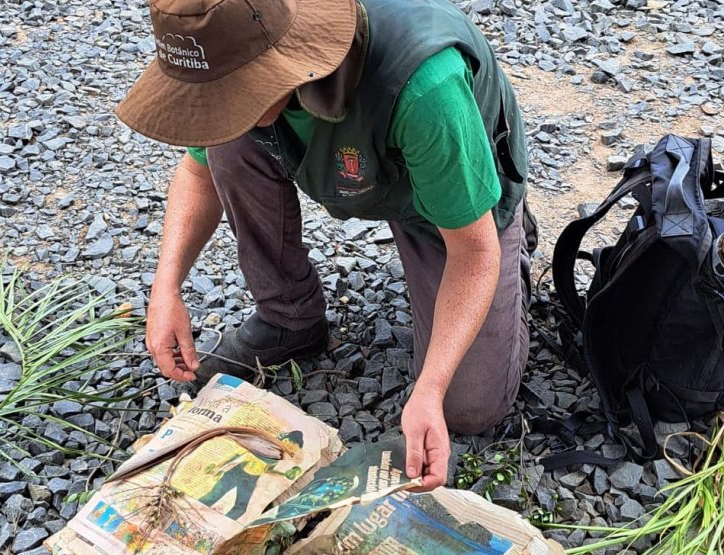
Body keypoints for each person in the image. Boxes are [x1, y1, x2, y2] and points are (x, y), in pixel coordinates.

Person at [116, 0, 536, 493]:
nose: (215, 111)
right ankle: (288, 316)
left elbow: (474, 253)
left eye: (227, 95)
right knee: (226, 144)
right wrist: (165, 289)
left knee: (468, 407)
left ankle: (502, 228)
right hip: (376, 162)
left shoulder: (425, 85)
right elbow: (197, 171)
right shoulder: (232, 49)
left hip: (448, 204)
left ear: (279, 62)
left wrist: (430, 388)